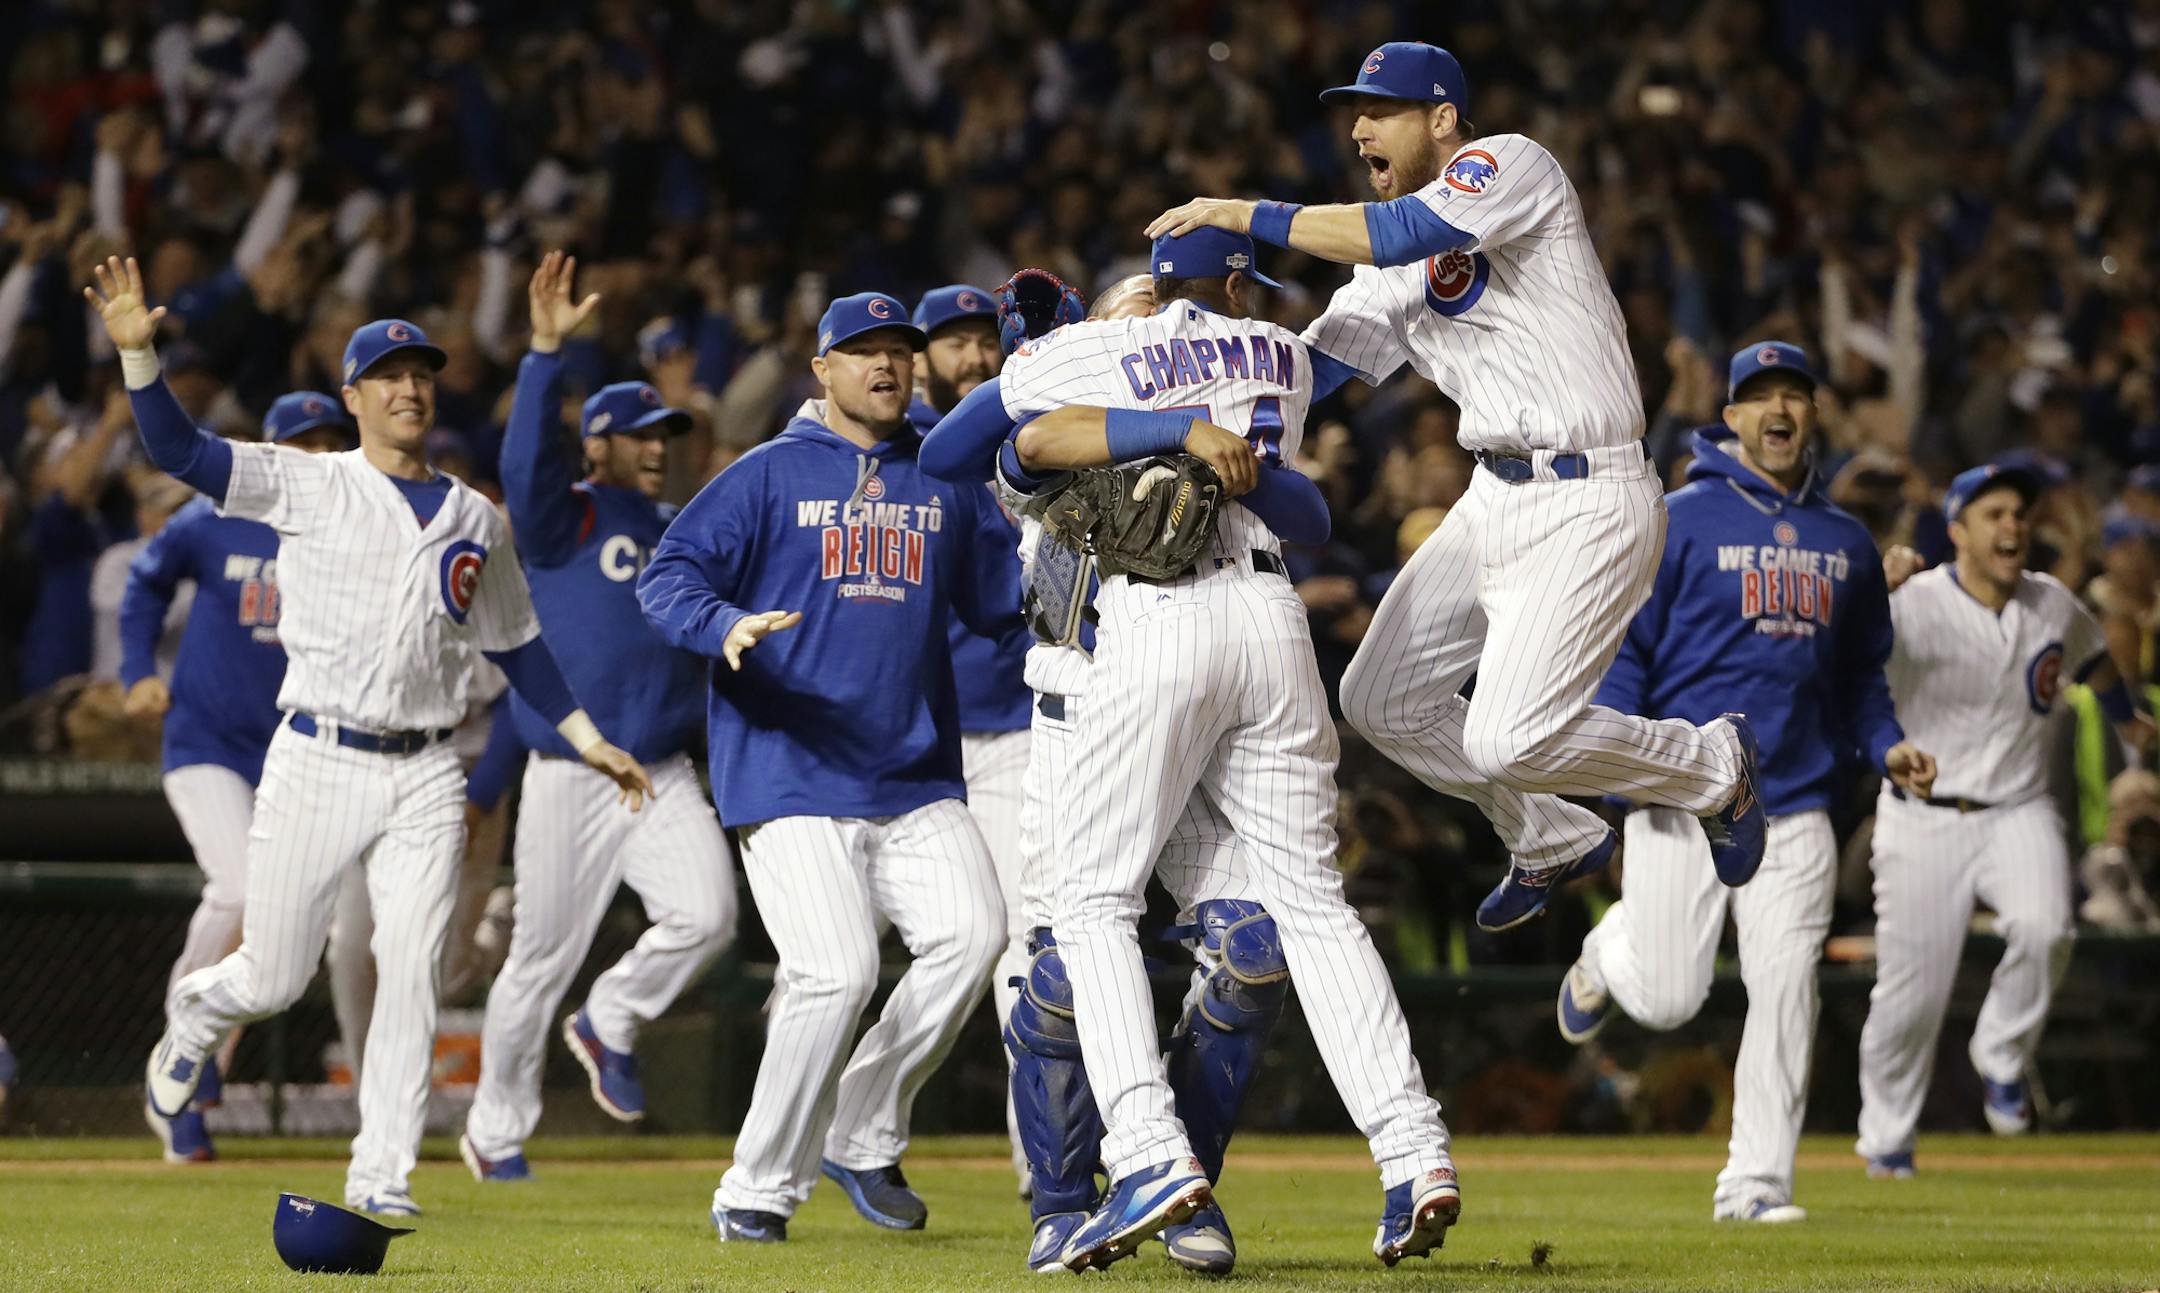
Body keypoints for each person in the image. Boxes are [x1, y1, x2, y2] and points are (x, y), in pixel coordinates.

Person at [1145, 40, 1765, 923]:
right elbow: (1310, 373)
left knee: (1512, 735)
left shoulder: (1509, 164)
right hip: (1494, 499)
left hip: (1589, 494)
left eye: (1379, 110)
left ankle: (1711, 766)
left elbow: (1411, 230)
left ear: (1440, 118)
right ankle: (1549, 833)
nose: (1358, 128)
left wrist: (1248, 213)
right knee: (1379, 700)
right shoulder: (1384, 261)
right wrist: (1177, 386)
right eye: (1354, 112)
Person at [93, 255, 653, 1216]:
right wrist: (141, 361)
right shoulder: (307, 483)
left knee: (413, 963)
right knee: (272, 972)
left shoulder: (477, 516)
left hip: (427, 769)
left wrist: (585, 734)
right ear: (352, 396)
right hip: (315, 755)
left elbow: (517, 643)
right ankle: (192, 1019)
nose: (409, 387)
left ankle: (381, 1171)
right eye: (389, 375)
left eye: (422, 373)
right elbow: (182, 454)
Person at [992, 229, 1459, 1271]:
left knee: (1124, 919)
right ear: (1238, 283)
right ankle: (1410, 1146)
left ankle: (1161, 1159)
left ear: (1156, 295)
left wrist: (1156, 418)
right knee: (1299, 908)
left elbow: (1020, 428)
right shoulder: (1279, 352)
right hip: (1208, 649)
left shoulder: (1094, 355)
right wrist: (1204, 437)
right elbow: (991, 459)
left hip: (1157, 652)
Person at [921, 268, 1329, 1275]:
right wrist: (1154, 415)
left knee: (1255, 952)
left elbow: (1299, 505)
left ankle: (1178, 1176)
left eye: (1163, 310)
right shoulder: (1055, 424)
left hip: (1202, 708)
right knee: (1063, 963)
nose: (1155, 322)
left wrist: (1213, 434)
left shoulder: (1220, 426)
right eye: (1130, 311)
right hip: (1077, 717)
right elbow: (1007, 446)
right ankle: (1059, 1202)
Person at [637, 291, 1025, 1243]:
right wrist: (723, 622)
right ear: (823, 370)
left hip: (911, 774)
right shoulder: (768, 473)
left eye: (898, 350)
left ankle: (859, 1126)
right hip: (789, 767)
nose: (885, 365)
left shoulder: (945, 478)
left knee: (975, 935)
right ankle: (756, 1187)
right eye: (862, 352)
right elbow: (667, 574)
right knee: (836, 970)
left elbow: (1001, 603)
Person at [1551, 343, 1936, 1222]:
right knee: (1669, 997)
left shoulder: (1846, 542)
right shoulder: (1677, 518)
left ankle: (1757, 1182)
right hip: (1681, 793)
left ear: (1813, 415)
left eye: (1794, 395)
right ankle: (1609, 954)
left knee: (1786, 982)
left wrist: (1888, 749)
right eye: (1759, 395)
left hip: (1794, 800)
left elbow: (1861, 683)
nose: (1779, 409)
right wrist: (1617, 779)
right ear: (1729, 418)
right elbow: (1626, 657)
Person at [459, 252, 739, 1180]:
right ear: (599, 444)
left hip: (658, 773)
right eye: (637, 432)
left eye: (666, 431)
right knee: (537, 959)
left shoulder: (682, 528)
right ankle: (495, 1129)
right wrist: (544, 354)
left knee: (706, 915)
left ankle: (610, 1016)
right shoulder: (564, 516)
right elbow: (523, 460)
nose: (657, 444)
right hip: (573, 774)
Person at [1855, 465, 2155, 1177]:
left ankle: (2002, 1057)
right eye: (1993, 513)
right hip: (1924, 817)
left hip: (2018, 807)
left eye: (2018, 512)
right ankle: (1888, 1139)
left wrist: (2127, 720)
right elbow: (1835, 656)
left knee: (2048, 925)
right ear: (1957, 530)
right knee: (1910, 994)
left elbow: (2094, 662)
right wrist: (1870, 595)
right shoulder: (1914, 602)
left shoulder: (2051, 603)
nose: (2012, 525)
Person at [121, 390, 357, 1164]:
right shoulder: (215, 514)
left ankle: (190, 1075)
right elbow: (145, 579)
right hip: (207, 744)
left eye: (332, 440)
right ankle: (182, 1064)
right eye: (306, 441)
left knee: (281, 925)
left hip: (294, 754)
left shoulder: (349, 530)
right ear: (275, 448)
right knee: (240, 890)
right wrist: (134, 669)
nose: (321, 454)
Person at [908, 283, 1034, 1191]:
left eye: (981, 339)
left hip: (1022, 722)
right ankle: (849, 1131)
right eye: (949, 343)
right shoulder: (898, 450)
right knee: (834, 962)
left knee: (1028, 937)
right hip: (914, 742)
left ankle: (1048, 1154)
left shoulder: (1038, 430)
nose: (970, 356)